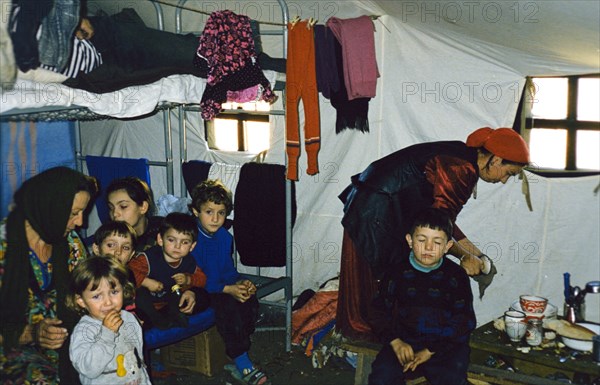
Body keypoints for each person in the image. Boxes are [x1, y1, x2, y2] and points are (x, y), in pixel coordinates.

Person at [337, 126, 529, 340]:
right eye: (508, 174)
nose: (503, 181)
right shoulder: (462, 168)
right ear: (495, 159)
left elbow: (445, 219)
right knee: (382, 286)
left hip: (373, 201)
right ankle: (373, 346)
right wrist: (465, 256)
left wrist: (477, 254)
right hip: (375, 211)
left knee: (386, 285)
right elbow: (438, 228)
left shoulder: (464, 157)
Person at [0, 166, 98, 384]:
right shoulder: (4, 248)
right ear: (49, 207)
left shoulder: (70, 244)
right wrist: (30, 334)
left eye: (83, 212)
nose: (81, 222)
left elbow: (88, 292)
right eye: (73, 213)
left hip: (61, 350)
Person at [367, 208, 476, 385]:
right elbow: (377, 311)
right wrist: (395, 342)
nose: (428, 247)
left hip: (445, 345)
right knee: (382, 377)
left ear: (448, 247)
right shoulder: (397, 271)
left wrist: (430, 350)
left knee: (452, 378)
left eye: (437, 242)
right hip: (406, 341)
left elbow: (464, 321)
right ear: (410, 240)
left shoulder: (456, 276)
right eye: (421, 239)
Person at [189, 180, 270, 385]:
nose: (216, 219)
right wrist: (227, 289)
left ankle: (237, 355)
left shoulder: (225, 237)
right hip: (197, 289)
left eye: (221, 213)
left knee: (249, 300)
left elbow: (228, 271)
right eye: (209, 212)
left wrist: (242, 283)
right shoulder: (191, 239)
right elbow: (195, 279)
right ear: (195, 211)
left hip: (220, 285)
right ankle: (242, 360)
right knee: (227, 306)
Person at [67, 256, 150, 385]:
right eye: (96, 296)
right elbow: (88, 369)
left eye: (114, 292)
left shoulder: (129, 319)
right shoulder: (84, 331)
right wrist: (107, 334)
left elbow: (139, 361)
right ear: (81, 301)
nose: (108, 302)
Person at [128, 212, 208, 330]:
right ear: (160, 239)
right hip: (148, 304)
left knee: (200, 296)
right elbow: (128, 272)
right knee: (141, 294)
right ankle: (157, 319)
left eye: (185, 242)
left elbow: (202, 279)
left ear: (192, 246)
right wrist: (146, 282)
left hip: (168, 302)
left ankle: (174, 314)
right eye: (171, 240)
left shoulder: (188, 261)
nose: (177, 246)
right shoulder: (148, 258)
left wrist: (188, 279)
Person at [106, 176, 163, 252]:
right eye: (111, 208)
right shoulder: (108, 236)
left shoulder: (164, 229)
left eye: (123, 206)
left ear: (143, 207)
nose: (115, 214)